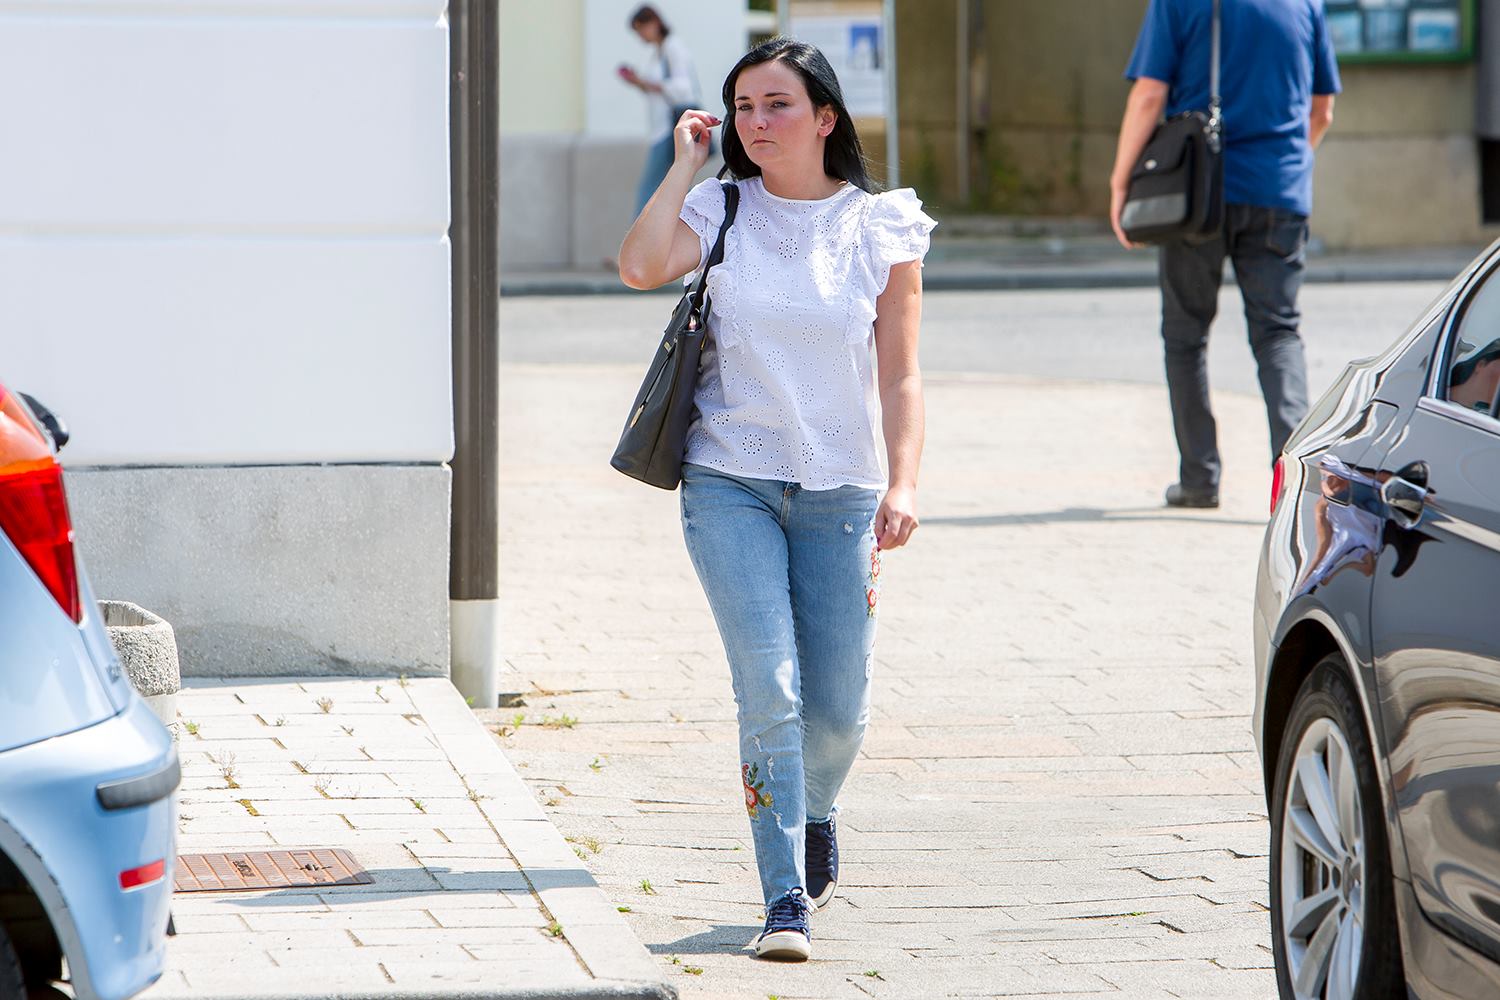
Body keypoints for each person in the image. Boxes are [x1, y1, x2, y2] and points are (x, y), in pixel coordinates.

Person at [617, 38, 934, 962]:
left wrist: (905, 481)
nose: (756, 123)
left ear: (826, 117)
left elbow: (901, 375)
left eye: (778, 105)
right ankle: (784, 896)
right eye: (744, 107)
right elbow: (639, 265)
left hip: (843, 492)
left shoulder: (880, 227)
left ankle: (817, 808)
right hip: (729, 480)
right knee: (770, 688)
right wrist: (683, 165)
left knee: (838, 710)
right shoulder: (720, 208)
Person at [1109, 0, 1341, 509]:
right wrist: (1286, 167)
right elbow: (1322, 109)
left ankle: (1199, 479)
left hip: (1198, 192)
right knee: (1278, 333)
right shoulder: (1304, 4)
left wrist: (1122, 181)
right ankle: (1294, 484)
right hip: (1279, 191)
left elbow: (1149, 96)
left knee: (1185, 336)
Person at [619, 5, 702, 216]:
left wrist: (644, 82)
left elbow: (683, 89)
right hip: (661, 129)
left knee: (649, 189)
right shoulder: (659, 52)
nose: (640, 36)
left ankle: (640, 235)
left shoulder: (672, 48)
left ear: (654, 23)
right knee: (672, 187)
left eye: (641, 29)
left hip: (669, 129)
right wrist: (638, 83)